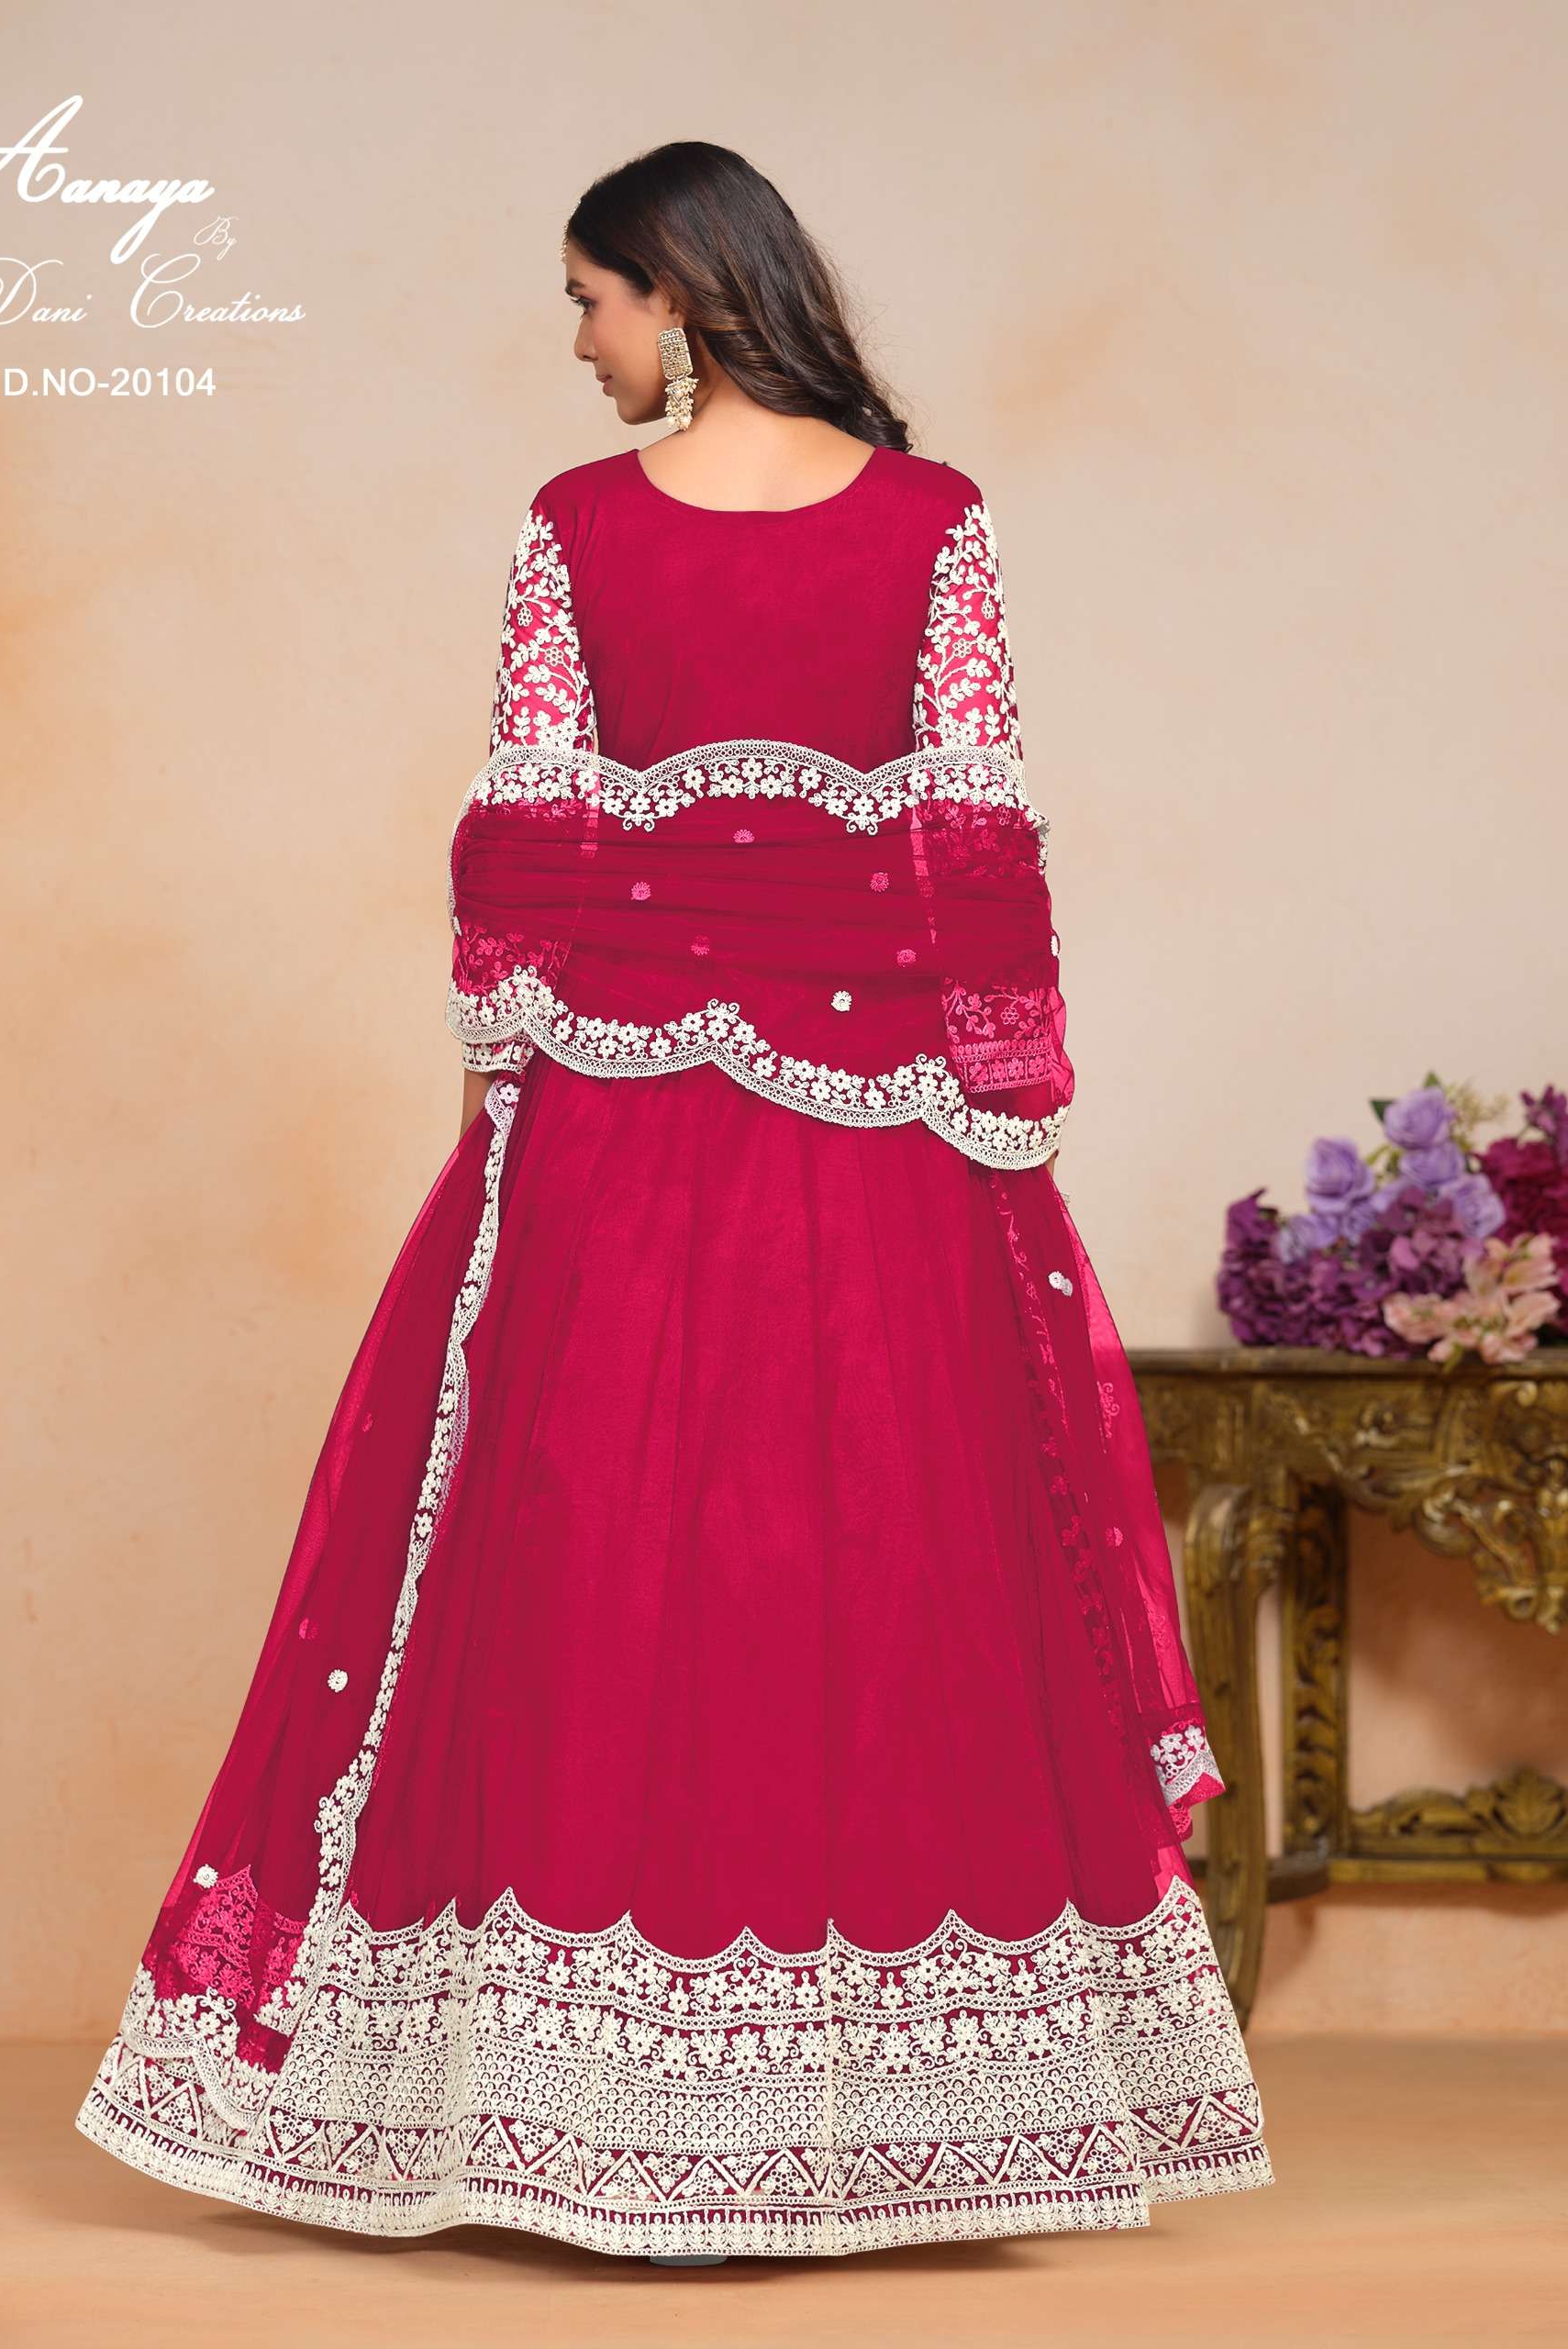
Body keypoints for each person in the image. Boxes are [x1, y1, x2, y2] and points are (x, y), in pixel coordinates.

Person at [76, 139, 1274, 2262]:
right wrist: (1011, 1117)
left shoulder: (580, 528)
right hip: (887, 1129)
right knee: (885, 1554)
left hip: (615, 1126)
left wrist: (494, 1099)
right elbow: (975, 829)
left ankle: (568, 2112)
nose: (579, 341)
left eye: (591, 299)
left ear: (681, 296)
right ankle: (873, 2120)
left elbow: (527, 830)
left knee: (587, 1550)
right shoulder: (934, 520)